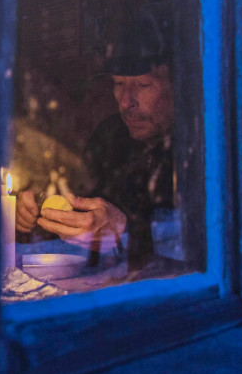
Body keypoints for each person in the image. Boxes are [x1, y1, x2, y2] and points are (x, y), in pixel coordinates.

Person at [16, 14, 177, 274]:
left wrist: (124, 230)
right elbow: (80, 197)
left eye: (143, 85)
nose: (126, 102)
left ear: (176, 87)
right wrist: (38, 210)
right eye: (119, 84)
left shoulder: (203, 146)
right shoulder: (111, 134)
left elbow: (204, 241)